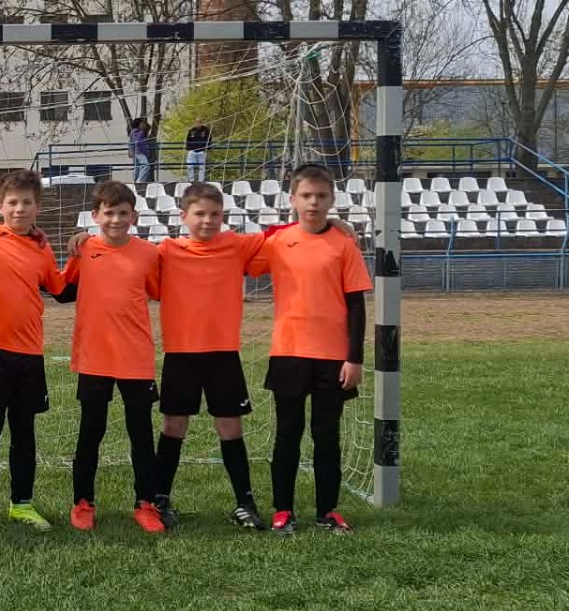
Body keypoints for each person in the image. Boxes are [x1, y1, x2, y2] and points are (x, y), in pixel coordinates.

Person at [248, 164, 372, 535]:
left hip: (333, 358)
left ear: (332, 199)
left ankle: (328, 511)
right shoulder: (278, 241)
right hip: (288, 353)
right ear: (293, 199)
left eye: (320, 196)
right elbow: (243, 260)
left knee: (326, 436)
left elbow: (356, 305)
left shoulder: (343, 244)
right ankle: (283, 510)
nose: (313, 202)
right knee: (287, 434)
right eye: (306, 195)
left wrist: (354, 358)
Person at [153, 182, 269, 533]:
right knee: (174, 426)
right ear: (183, 216)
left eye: (215, 214)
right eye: (200, 214)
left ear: (224, 216)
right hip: (181, 353)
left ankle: (245, 503)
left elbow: (283, 236)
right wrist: (83, 239)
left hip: (223, 354)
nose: (207, 220)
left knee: (231, 427)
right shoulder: (166, 251)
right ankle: (160, 498)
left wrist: (334, 223)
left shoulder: (236, 245)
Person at [0, 168, 65, 531]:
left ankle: (22, 504)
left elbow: (60, 289)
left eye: (27, 203)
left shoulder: (42, 247)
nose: (20, 209)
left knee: (24, 432)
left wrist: (82, 250)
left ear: (38, 207)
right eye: (13, 202)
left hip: (29, 352)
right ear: (0, 205)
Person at [58, 180, 162, 530]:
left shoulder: (149, 254)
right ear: (95, 215)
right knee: (91, 431)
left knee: (141, 433)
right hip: (95, 356)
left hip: (136, 357)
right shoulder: (84, 250)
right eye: (109, 213)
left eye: (122, 213)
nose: (115, 219)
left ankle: (146, 503)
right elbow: (62, 290)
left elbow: (159, 290)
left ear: (134, 216)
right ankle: (83, 502)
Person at [127, 117, 152, 184]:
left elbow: (131, 143)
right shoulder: (138, 131)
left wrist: (130, 150)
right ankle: (140, 180)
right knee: (145, 165)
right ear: (139, 124)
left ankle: (136, 181)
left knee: (138, 167)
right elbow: (137, 141)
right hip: (139, 152)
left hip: (136, 152)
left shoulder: (133, 132)